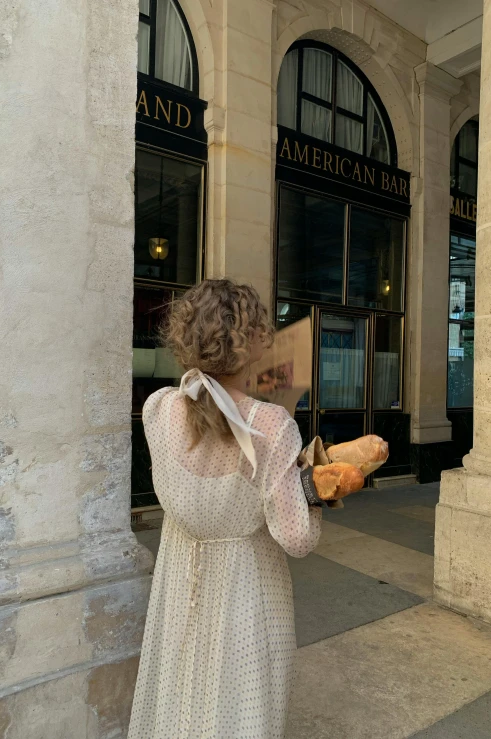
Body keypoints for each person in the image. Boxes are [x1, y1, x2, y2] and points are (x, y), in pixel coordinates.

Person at [128, 279, 322, 739]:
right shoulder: (270, 425)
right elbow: (296, 538)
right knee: (238, 708)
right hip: (245, 589)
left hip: (178, 584)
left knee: (179, 700)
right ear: (244, 340)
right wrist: (314, 489)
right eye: (261, 324)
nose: (270, 333)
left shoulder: (159, 409)